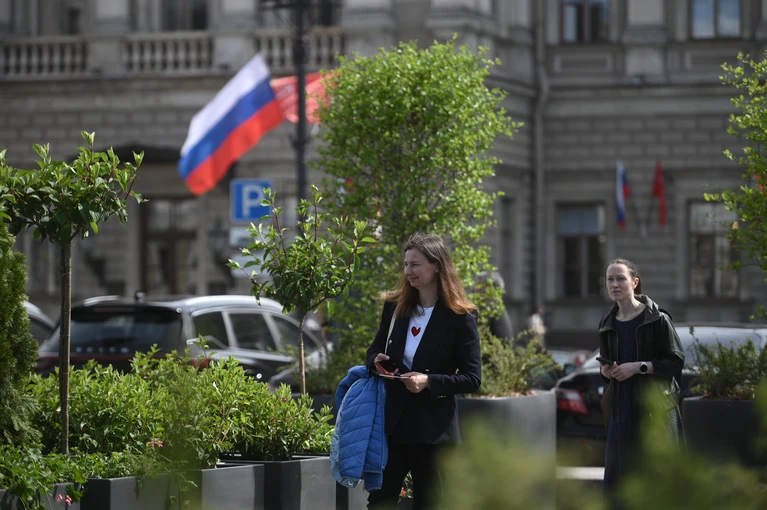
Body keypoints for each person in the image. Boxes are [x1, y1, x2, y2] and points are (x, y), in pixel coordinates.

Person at [366, 233, 482, 510]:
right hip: (394, 425)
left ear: (437, 266)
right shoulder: (395, 307)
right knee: (379, 501)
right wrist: (375, 361)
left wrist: (428, 381)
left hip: (434, 431)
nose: (408, 271)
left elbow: (472, 378)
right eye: (406, 264)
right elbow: (374, 349)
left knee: (430, 503)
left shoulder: (460, 317)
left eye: (415, 264)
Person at [598, 258, 685, 504]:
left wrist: (639, 367)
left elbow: (675, 362)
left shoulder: (657, 319)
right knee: (622, 484)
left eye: (620, 278)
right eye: (610, 279)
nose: (614, 284)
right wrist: (607, 372)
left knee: (657, 479)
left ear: (634, 282)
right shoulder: (606, 323)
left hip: (654, 409)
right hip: (622, 410)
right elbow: (605, 370)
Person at [473, 271, 513, 344]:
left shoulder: (488, 307)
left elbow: (475, 337)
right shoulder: (498, 307)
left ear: (488, 288)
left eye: (477, 285)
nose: (473, 289)